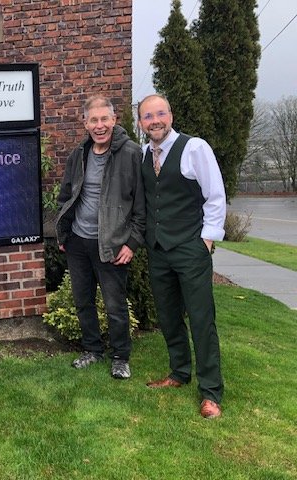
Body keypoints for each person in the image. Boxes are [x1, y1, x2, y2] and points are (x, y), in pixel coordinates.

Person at [137, 94, 226, 419]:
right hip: (159, 250)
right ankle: (178, 372)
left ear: (170, 115)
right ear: (141, 122)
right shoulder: (145, 154)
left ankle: (211, 392)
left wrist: (206, 240)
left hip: (191, 249)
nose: (155, 120)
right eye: (148, 116)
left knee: (202, 319)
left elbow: (215, 196)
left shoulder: (195, 148)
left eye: (160, 113)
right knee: (169, 316)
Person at [55, 95, 145, 379]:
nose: (99, 125)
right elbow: (66, 196)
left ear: (114, 120)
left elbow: (141, 206)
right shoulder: (78, 155)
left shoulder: (131, 154)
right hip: (78, 242)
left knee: (115, 305)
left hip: (112, 244)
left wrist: (132, 243)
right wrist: (63, 230)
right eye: (93, 120)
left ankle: (121, 357)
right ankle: (92, 350)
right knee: (83, 301)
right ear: (85, 123)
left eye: (104, 119)